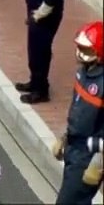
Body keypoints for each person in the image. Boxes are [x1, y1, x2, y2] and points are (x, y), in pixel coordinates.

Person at [53, 20, 104, 205]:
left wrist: (99, 161)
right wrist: (65, 136)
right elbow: (78, 108)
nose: (81, 53)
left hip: (89, 154)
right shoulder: (83, 73)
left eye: (87, 49)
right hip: (74, 148)